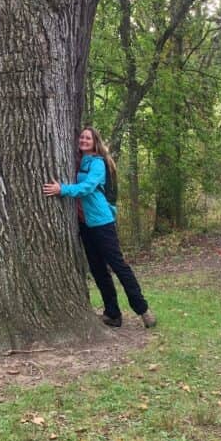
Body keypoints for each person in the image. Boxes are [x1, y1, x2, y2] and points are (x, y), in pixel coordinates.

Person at [43, 127, 156, 328]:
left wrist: (62, 189)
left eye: (88, 138)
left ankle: (143, 310)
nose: (84, 140)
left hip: (102, 223)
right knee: (97, 270)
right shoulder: (78, 160)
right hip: (85, 225)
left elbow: (88, 187)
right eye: (82, 137)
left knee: (119, 266)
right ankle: (113, 313)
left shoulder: (97, 163)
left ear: (95, 142)